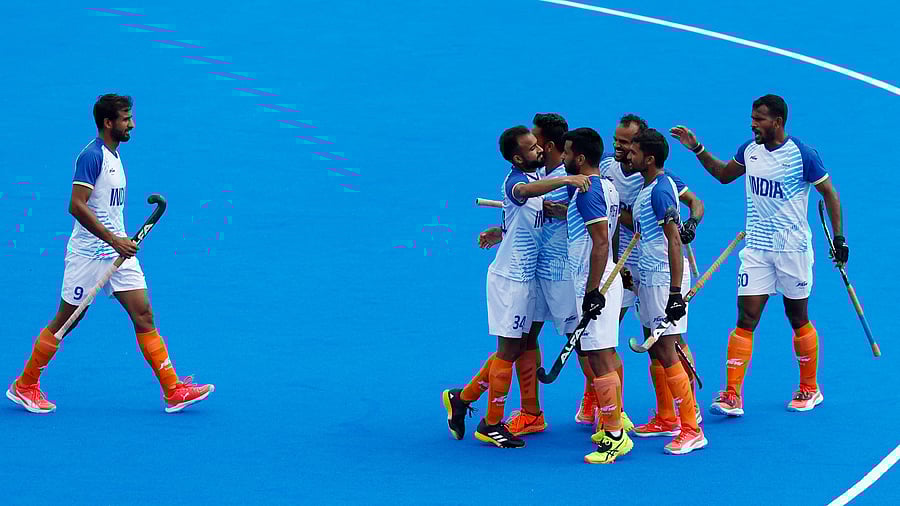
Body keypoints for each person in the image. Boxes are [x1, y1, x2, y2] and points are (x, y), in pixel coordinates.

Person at [6, 94, 214, 415]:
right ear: (108, 123)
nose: (132, 123)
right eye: (126, 118)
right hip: (88, 256)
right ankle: (25, 385)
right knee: (67, 321)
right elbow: (76, 205)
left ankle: (173, 389)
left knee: (143, 314)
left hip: (119, 254)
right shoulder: (92, 157)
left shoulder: (115, 156)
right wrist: (114, 240)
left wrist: (119, 243)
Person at [669, 94, 847, 416]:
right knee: (746, 318)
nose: (753, 124)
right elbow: (724, 175)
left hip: (793, 249)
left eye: (760, 119)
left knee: (797, 318)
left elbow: (829, 194)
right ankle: (732, 393)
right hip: (757, 249)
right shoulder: (749, 151)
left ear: (777, 122)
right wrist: (697, 148)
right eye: (752, 118)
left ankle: (810, 386)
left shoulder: (802, 155)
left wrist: (839, 239)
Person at [443, 125, 591, 448]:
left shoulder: (535, 179)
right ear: (516, 157)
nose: (539, 151)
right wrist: (567, 179)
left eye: (539, 146)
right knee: (507, 352)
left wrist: (500, 231)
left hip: (528, 280)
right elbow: (523, 197)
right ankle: (491, 423)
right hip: (510, 281)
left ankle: (462, 398)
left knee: (517, 347)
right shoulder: (516, 183)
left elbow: (519, 221)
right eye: (531, 148)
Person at [576, 114, 705, 433]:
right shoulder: (605, 168)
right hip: (621, 265)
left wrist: (690, 225)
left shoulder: (661, 183)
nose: (620, 148)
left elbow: (694, 204)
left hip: (654, 266)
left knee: (665, 342)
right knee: (599, 337)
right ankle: (604, 402)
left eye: (627, 143)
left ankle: (685, 410)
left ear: (642, 148)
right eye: (618, 141)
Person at [621, 128, 706, 455]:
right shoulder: (649, 188)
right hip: (648, 278)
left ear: (650, 158)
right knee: (656, 351)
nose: (629, 155)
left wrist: (673, 293)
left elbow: (673, 240)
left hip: (662, 280)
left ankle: (691, 428)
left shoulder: (660, 191)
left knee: (668, 351)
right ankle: (667, 417)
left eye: (634, 151)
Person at [561, 127, 632, 464]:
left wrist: (592, 290)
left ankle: (615, 435)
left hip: (594, 284)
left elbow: (601, 241)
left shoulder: (589, 192)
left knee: (601, 359)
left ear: (581, 157)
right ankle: (611, 423)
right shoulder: (603, 188)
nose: (562, 158)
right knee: (599, 356)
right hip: (597, 280)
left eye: (566, 153)